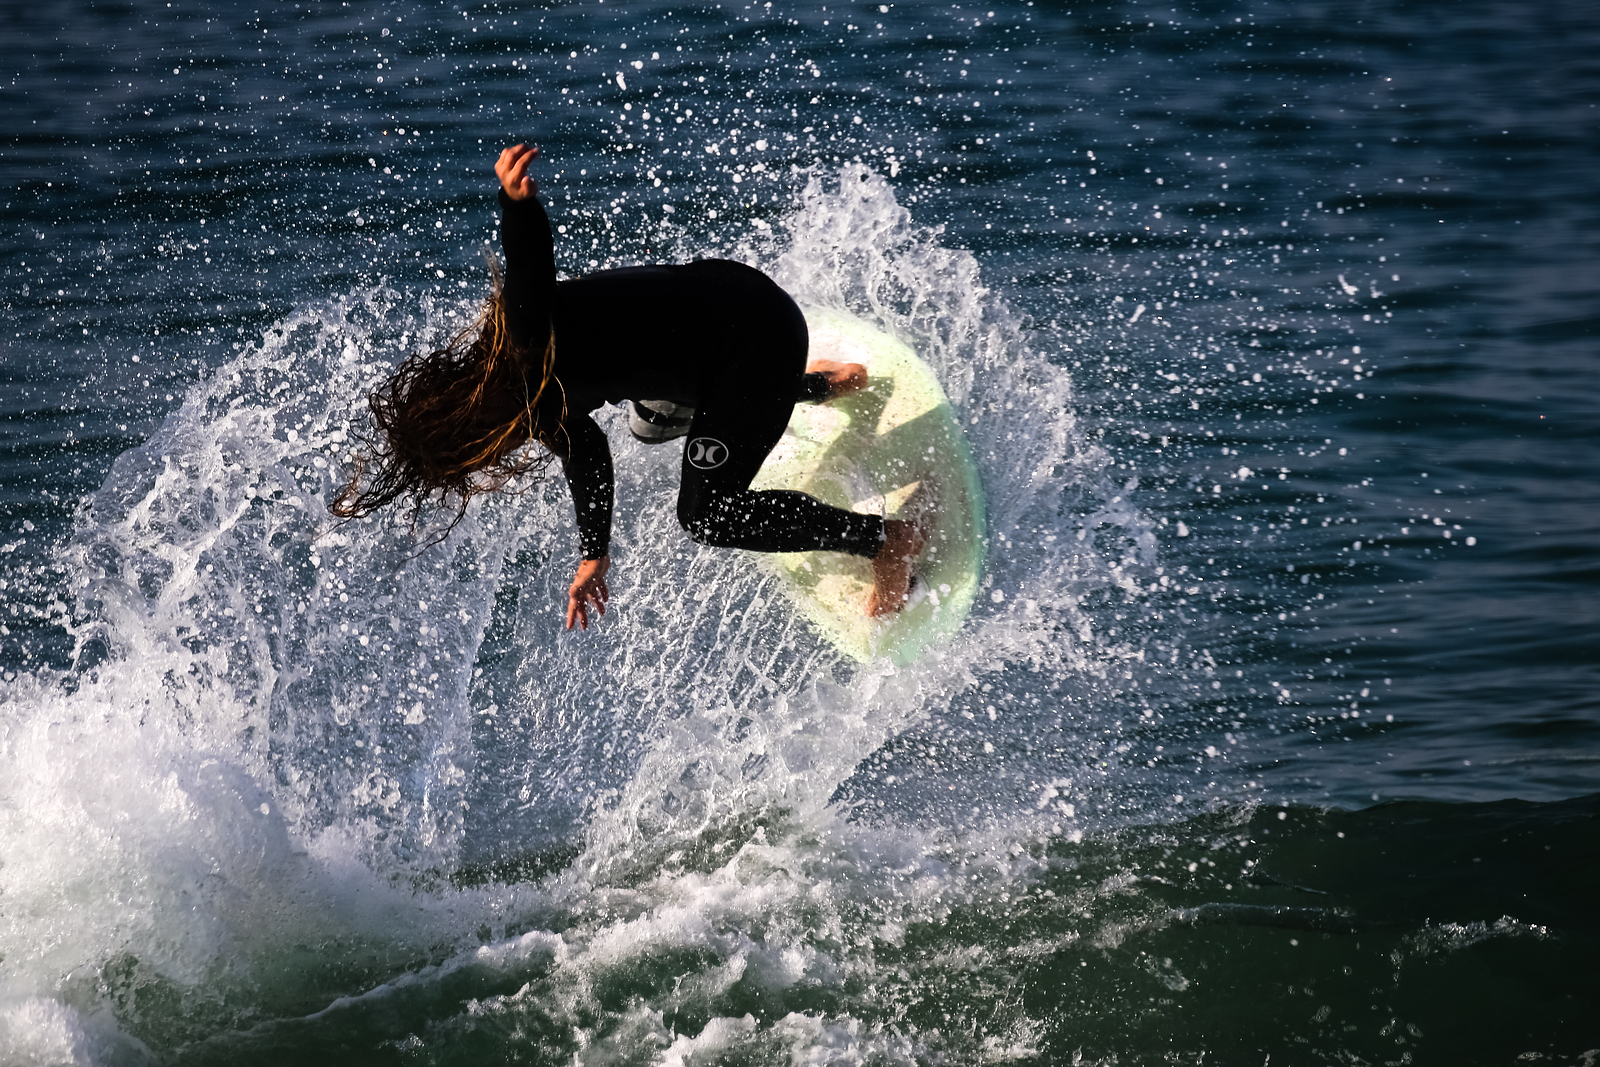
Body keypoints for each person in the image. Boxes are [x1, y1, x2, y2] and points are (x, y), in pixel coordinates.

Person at [335, 144, 923, 630]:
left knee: (707, 516)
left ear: (474, 426)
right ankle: (813, 386)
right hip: (728, 303)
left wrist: (517, 206)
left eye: (479, 454)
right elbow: (588, 456)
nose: (496, 459)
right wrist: (595, 553)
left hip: (756, 334)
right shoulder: (530, 401)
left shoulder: (523, 343)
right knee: (648, 425)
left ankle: (886, 541)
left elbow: (530, 270)